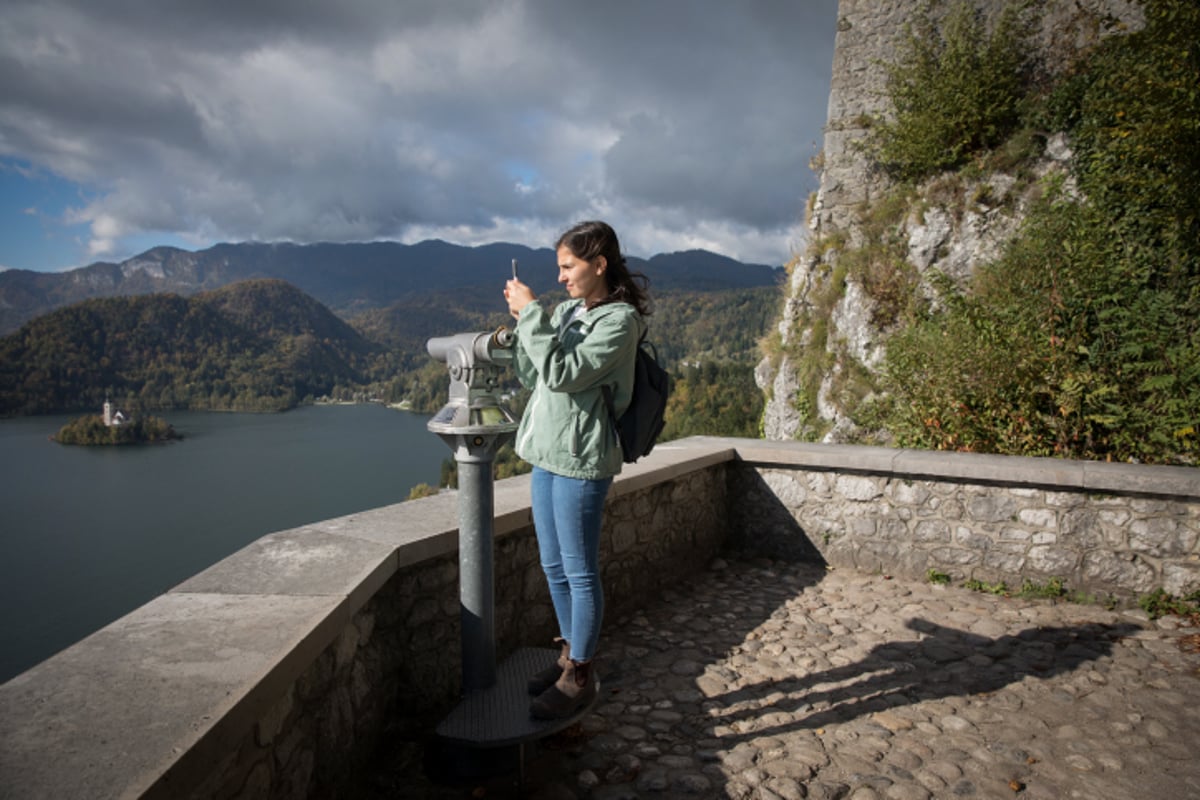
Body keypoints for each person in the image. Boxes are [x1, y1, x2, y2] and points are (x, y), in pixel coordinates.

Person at [503, 220, 651, 720]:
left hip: (584, 457)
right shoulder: (566, 312)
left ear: (599, 264)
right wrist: (525, 328)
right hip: (547, 452)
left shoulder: (619, 322)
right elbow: (537, 375)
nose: (562, 278)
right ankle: (567, 655)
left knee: (580, 571)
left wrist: (533, 316)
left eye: (569, 267)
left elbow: (565, 375)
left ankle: (581, 674)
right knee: (552, 565)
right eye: (559, 268)